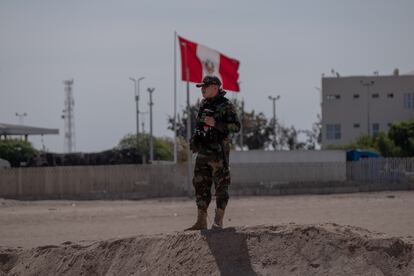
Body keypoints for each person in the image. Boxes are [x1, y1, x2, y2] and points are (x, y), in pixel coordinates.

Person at [185, 75, 241, 231]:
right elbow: (200, 124)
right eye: (201, 87)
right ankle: (201, 221)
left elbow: (236, 127)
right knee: (200, 184)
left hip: (218, 153)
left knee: (221, 186)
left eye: (205, 86)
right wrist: (195, 139)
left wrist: (216, 124)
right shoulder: (203, 104)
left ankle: (218, 221)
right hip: (203, 152)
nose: (202, 89)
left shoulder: (226, 105)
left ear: (215, 87)